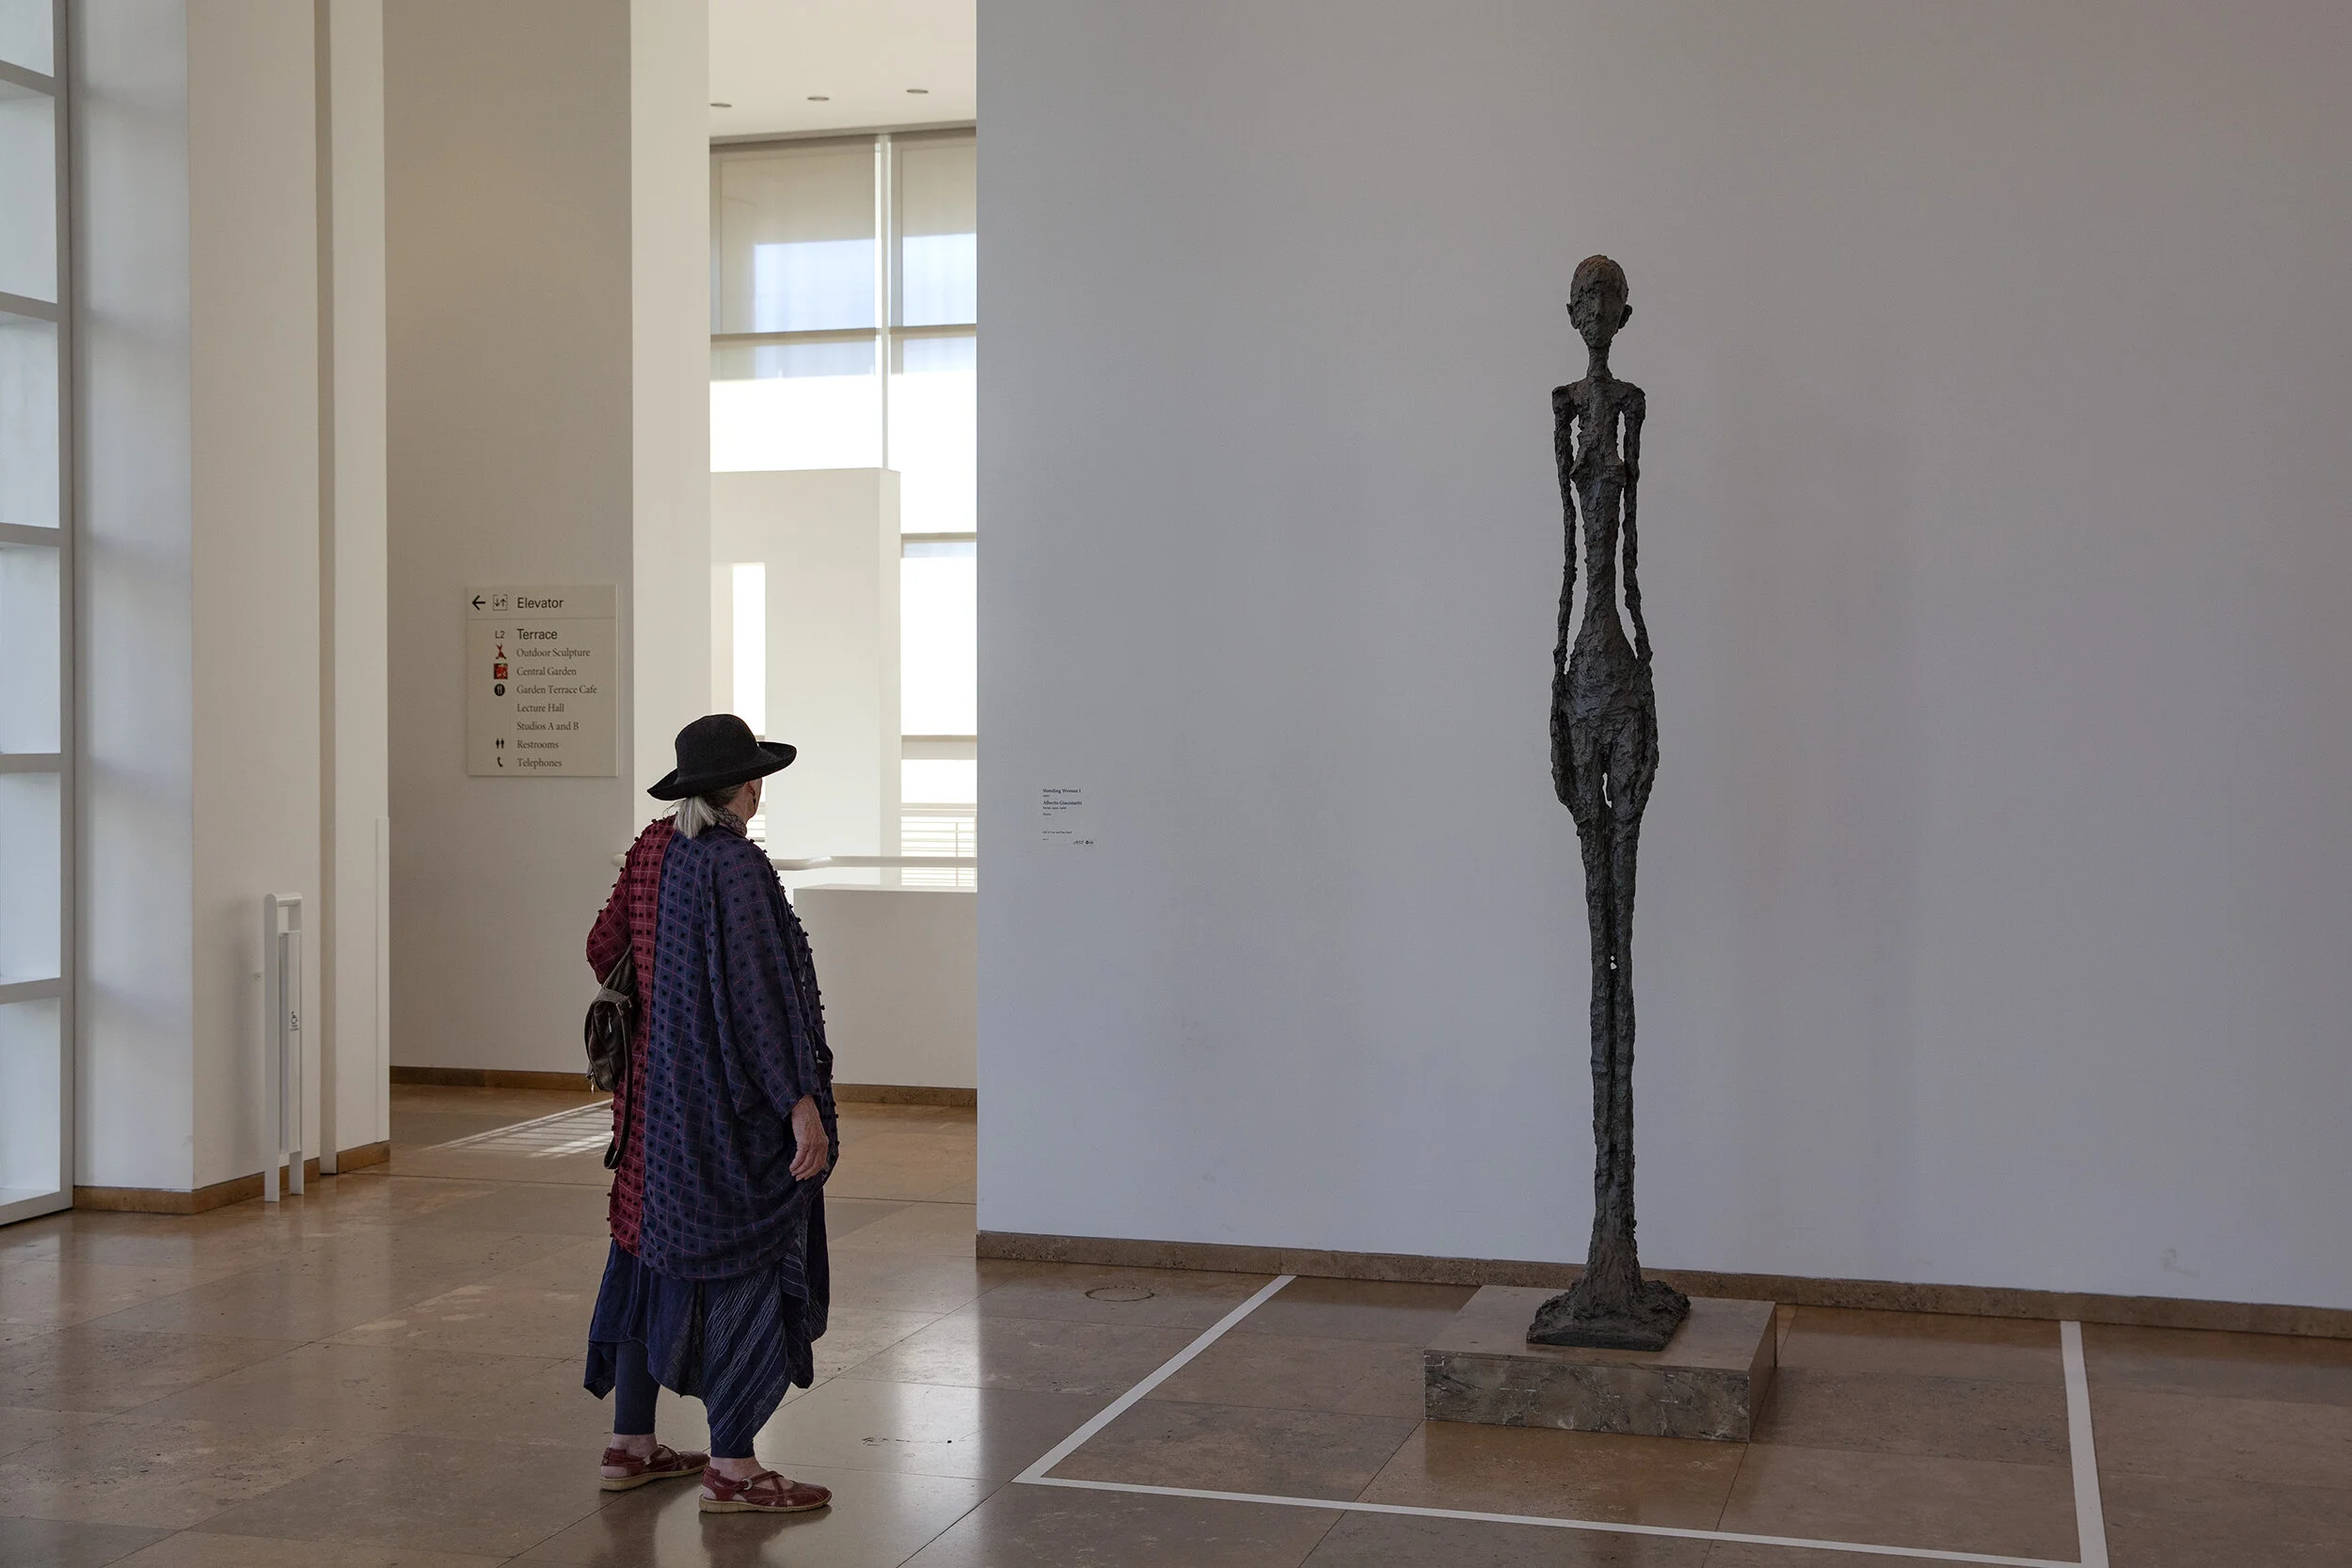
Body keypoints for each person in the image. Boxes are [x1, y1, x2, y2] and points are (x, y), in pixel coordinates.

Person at [581, 713, 839, 1513]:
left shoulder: (651, 850)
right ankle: (732, 1465)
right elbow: (762, 999)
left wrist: (669, 996)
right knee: (743, 1265)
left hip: (650, 1113)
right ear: (746, 787)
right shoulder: (737, 866)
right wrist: (798, 1101)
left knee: (643, 1251)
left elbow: (602, 946)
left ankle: (630, 1445)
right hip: (722, 1116)